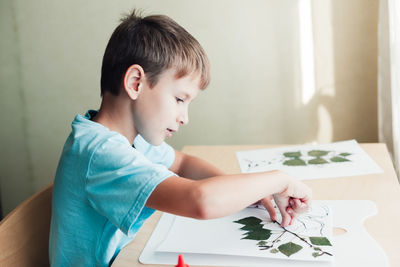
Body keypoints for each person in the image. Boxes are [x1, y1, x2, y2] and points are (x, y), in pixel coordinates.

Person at [49, 9, 312, 267]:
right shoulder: (101, 152)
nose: (184, 117)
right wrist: (278, 180)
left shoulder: (129, 138)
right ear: (135, 83)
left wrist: (250, 192)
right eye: (179, 99)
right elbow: (200, 201)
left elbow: (183, 163)